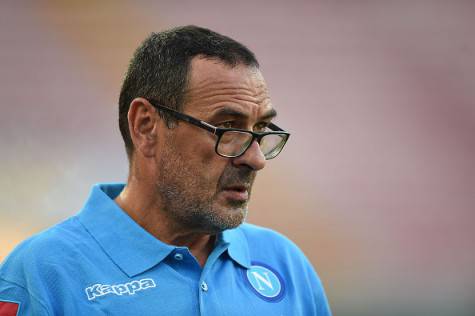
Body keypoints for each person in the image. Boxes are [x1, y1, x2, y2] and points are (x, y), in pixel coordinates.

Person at [0, 25, 331, 315]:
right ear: (146, 127)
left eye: (261, 129)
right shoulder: (41, 275)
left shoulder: (286, 264)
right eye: (228, 127)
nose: (256, 159)